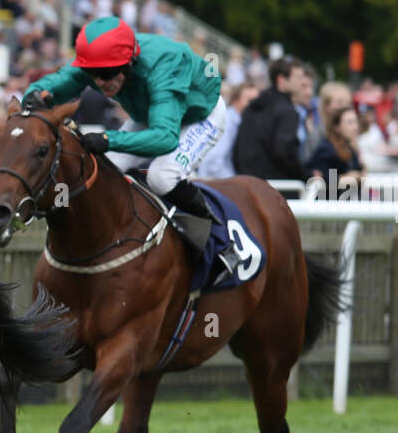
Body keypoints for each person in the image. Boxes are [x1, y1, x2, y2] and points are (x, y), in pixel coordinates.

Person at [22, 15, 238, 275]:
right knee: (104, 167)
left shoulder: (163, 66)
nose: (100, 82)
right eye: (93, 75)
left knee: (162, 177)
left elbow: (165, 137)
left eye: (107, 74)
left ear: (130, 63)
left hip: (199, 117)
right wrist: (33, 95)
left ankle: (223, 242)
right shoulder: (101, 63)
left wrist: (108, 139)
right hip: (151, 114)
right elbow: (55, 84)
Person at [232, 57, 314, 185]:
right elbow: (285, 154)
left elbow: (238, 151)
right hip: (277, 189)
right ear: (281, 80)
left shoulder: (252, 107)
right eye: (297, 77)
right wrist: (307, 175)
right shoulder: (287, 111)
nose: (301, 82)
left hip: (247, 184)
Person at [307, 107, 364, 192]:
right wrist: (350, 178)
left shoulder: (349, 148)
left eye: (356, 122)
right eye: (350, 123)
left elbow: (361, 173)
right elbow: (325, 180)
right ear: (337, 127)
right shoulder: (326, 149)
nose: (355, 127)